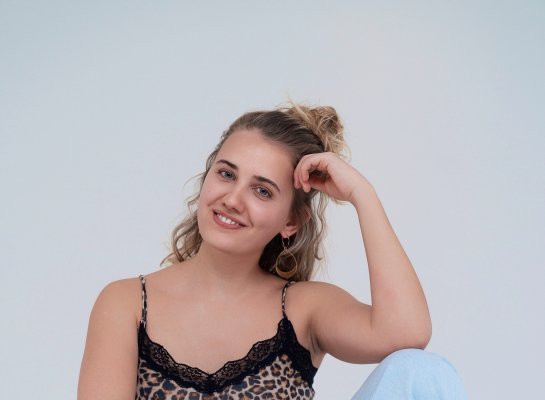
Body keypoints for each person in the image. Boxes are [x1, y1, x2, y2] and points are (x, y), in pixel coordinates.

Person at [78, 102, 467, 399]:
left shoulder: (303, 309)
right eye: (226, 174)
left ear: (290, 221)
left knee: (422, 371)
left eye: (262, 190)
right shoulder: (128, 303)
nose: (232, 199)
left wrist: (361, 195)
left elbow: (407, 333)